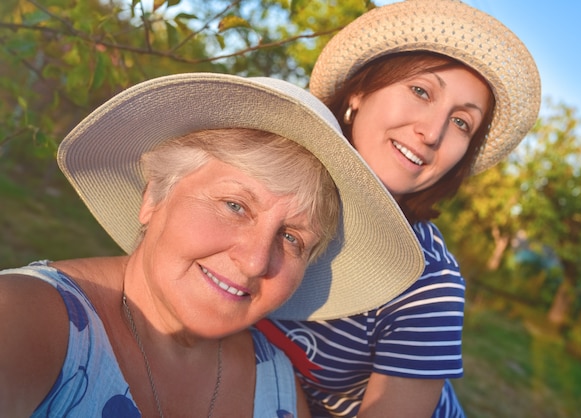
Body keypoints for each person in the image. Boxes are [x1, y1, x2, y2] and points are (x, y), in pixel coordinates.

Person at [0, 73, 425, 417]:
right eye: (235, 205)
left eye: (292, 238)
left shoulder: (276, 380)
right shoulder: (26, 318)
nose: (256, 260)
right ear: (153, 196)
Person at [257, 0, 542, 417]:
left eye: (462, 122)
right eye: (421, 91)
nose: (431, 133)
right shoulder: (268, 187)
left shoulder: (427, 282)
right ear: (359, 90)